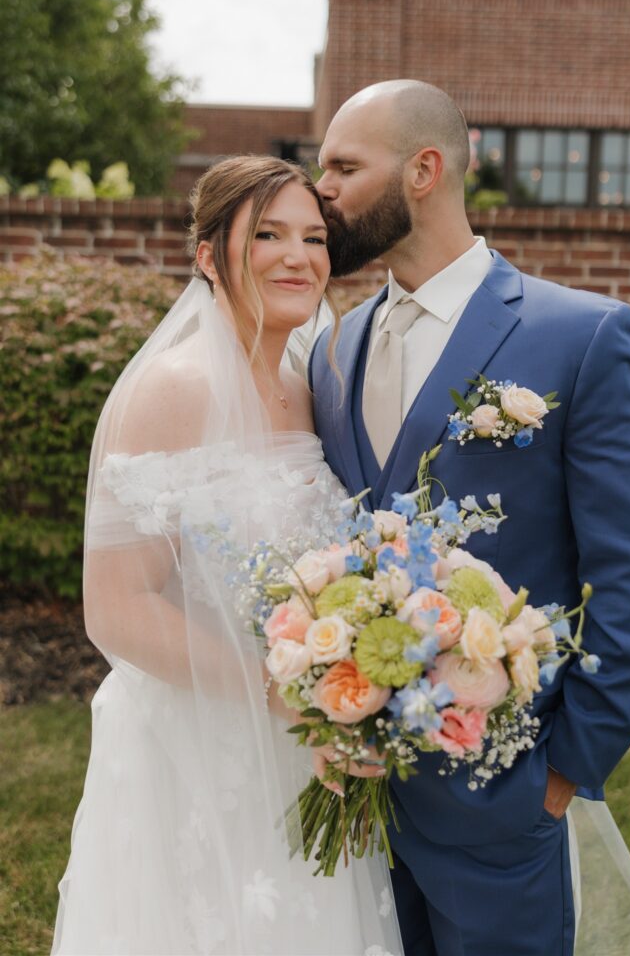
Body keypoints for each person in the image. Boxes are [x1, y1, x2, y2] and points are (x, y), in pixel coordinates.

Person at [310, 80, 630, 956]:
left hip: (502, 791)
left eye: (342, 166)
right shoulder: (336, 344)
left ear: (423, 170)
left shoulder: (581, 336)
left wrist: (564, 768)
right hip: (360, 800)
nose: (319, 187)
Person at [52, 156, 402, 956]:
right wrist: (293, 699)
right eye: (268, 234)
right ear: (208, 255)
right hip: (202, 744)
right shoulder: (172, 391)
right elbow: (117, 605)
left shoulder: (308, 386)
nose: (298, 256)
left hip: (308, 738)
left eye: (314, 238)